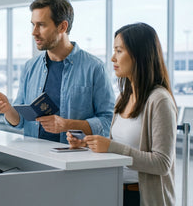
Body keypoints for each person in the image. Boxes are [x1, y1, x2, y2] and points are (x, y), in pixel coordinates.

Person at [67, 23, 177, 206]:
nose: (112, 58)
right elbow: (117, 149)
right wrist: (86, 145)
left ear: (139, 55)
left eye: (119, 51)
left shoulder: (159, 100)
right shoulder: (123, 98)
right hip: (116, 193)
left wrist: (111, 147)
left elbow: (162, 163)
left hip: (143, 197)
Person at [0, 0, 114, 143]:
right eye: (33, 24)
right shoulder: (30, 67)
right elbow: (19, 121)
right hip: (34, 157)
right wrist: (8, 109)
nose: (34, 32)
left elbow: (108, 121)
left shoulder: (94, 67)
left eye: (41, 25)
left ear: (62, 26)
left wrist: (67, 125)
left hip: (74, 159)